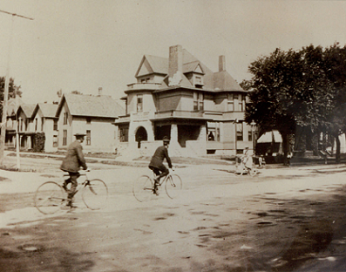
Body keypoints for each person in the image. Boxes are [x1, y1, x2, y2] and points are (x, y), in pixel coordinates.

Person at [60, 133, 88, 207]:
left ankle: (65, 183)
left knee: (77, 175)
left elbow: (73, 156)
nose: (84, 139)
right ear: (81, 138)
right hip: (71, 167)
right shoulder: (78, 145)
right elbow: (81, 157)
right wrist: (85, 167)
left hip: (66, 165)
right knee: (74, 183)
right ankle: (69, 199)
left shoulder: (72, 144)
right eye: (83, 138)